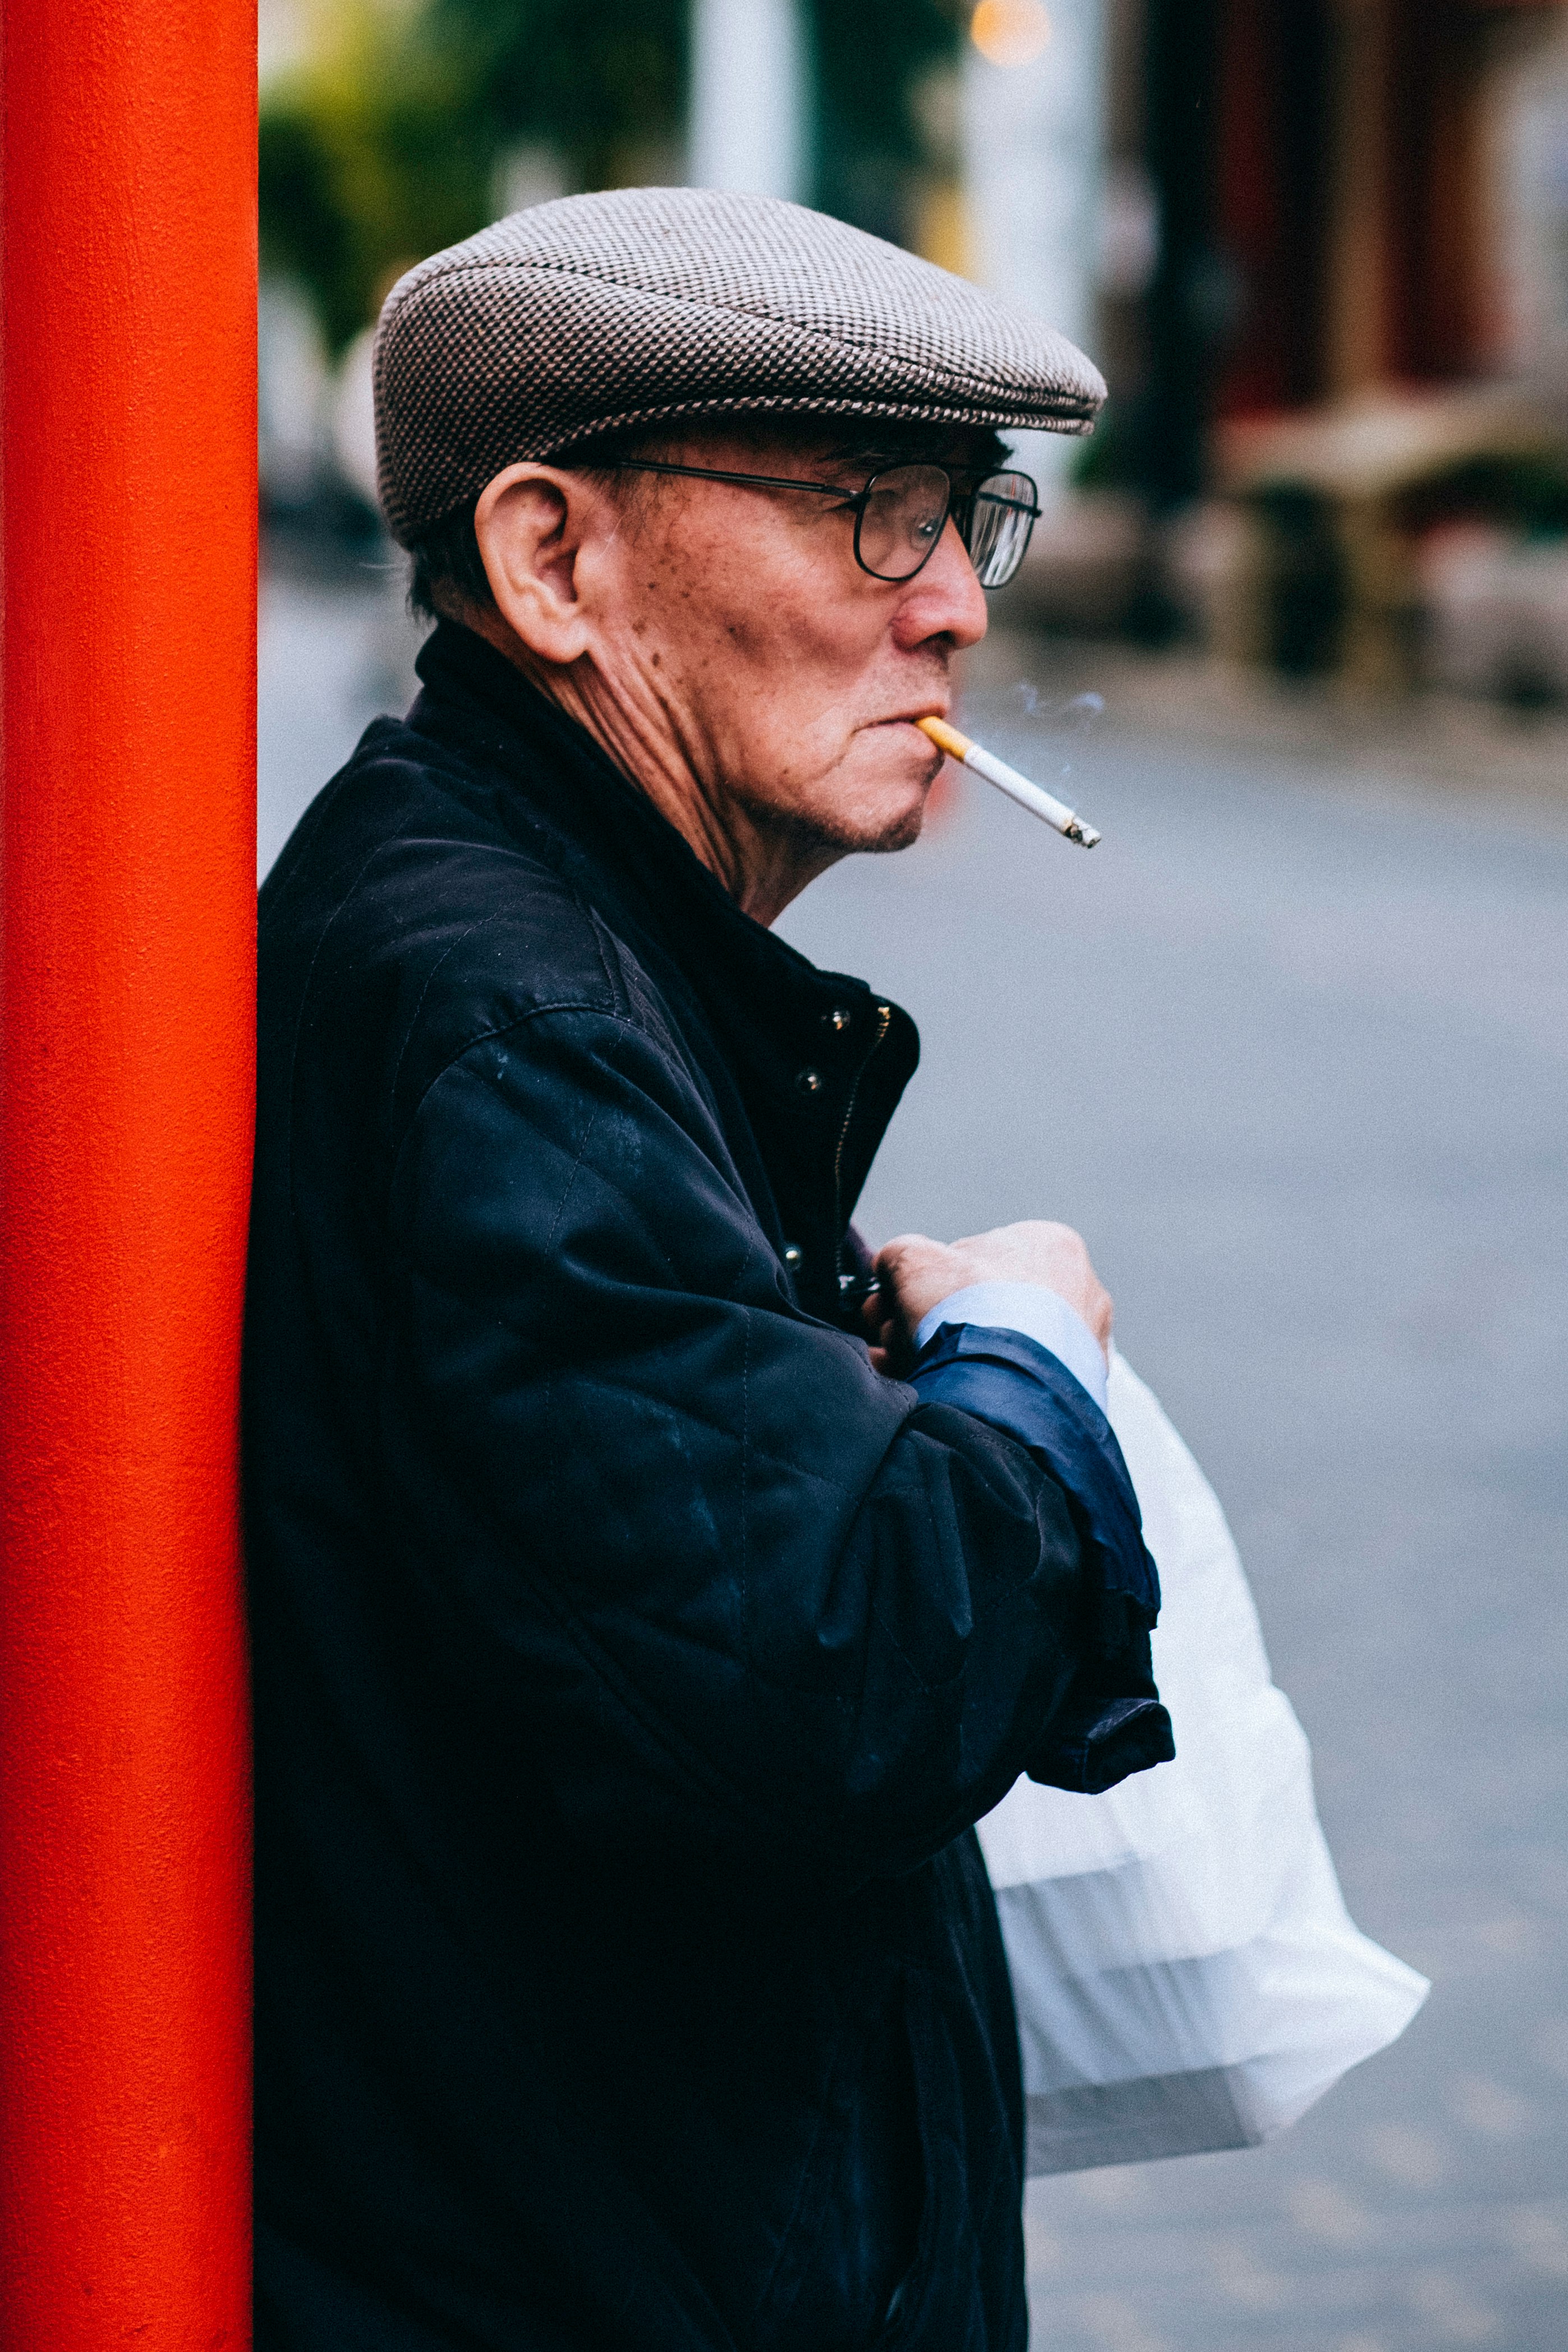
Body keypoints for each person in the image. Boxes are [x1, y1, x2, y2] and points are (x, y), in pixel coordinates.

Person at [246, 187, 1173, 2352]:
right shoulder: (520, 1020)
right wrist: (1026, 1358)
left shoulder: (564, 947)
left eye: (968, 517)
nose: (949, 606)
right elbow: (835, 1678)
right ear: (552, 559)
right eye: (865, 511)